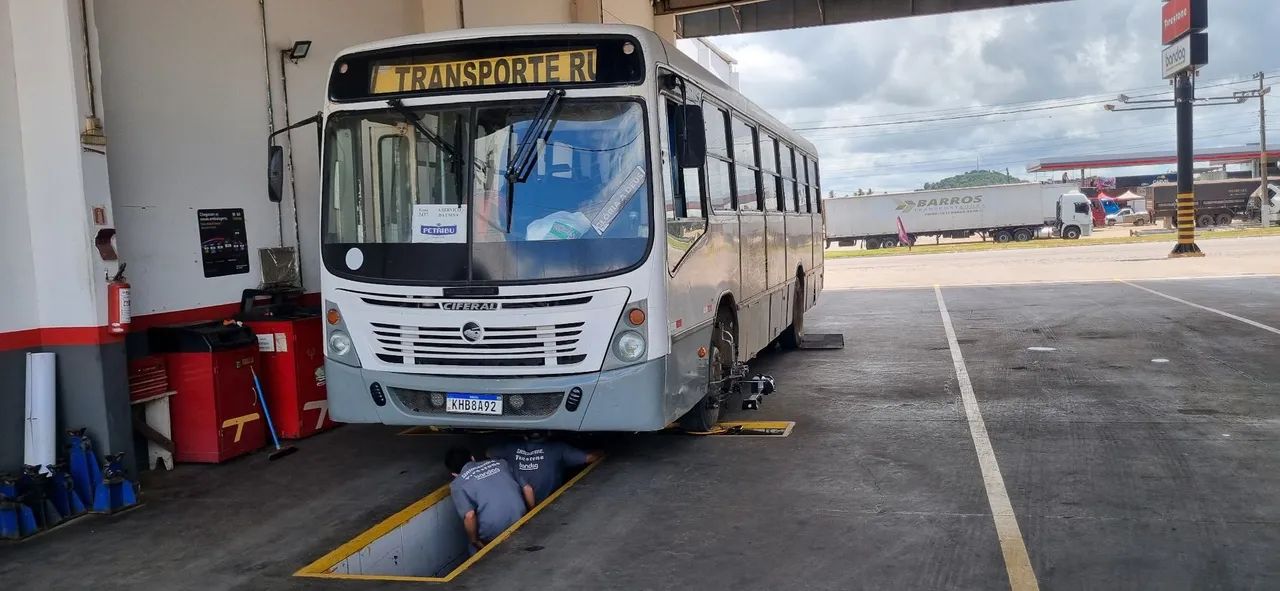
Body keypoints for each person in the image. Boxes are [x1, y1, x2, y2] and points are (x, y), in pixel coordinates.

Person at [445, 446, 531, 553]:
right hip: (520, 516)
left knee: (472, 547)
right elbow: (527, 488)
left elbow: (470, 516)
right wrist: (531, 513)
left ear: (454, 474)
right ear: (472, 458)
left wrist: (474, 541)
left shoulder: (457, 484)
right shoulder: (501, 463)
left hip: (494, 531)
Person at [487, 433, 601, 504]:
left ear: (524, 435)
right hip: (546, 504)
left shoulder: (510, 447)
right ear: (548, 434)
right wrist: (605, 451)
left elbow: (488, 453)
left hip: (516, 505)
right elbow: (590, 458)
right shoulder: (558, 448)